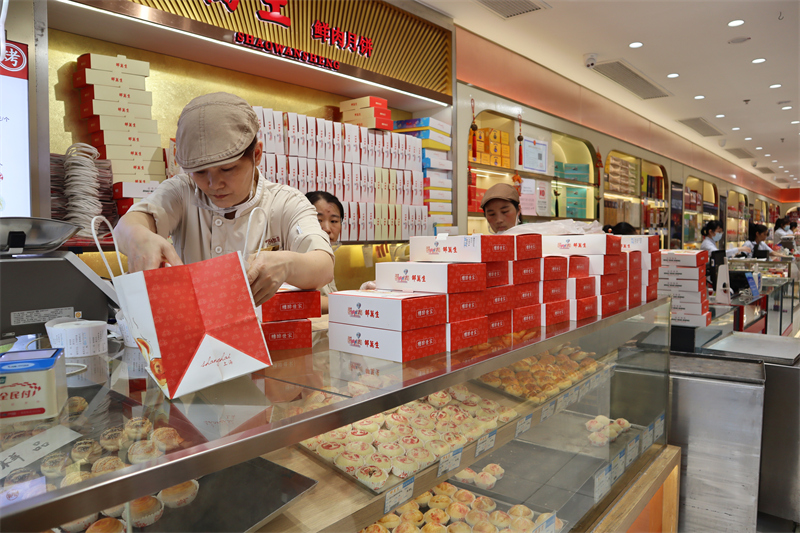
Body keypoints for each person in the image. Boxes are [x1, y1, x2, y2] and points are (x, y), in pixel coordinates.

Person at [115, 92, 334, 306]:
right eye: (200, 172)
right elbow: (127, 225)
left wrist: (288, 265)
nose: (214, 184)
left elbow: (324, 265)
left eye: (227, 169)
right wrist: (139, 236)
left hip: (270, 336)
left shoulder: (285, 201)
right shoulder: (183, 191)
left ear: (256, 154)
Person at [306, 191, 343, 314]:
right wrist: (350, 302)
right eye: (318, 220)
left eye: (333, 221)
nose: (327, 228)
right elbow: (299, 300)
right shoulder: (298, 253)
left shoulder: (328, 254)